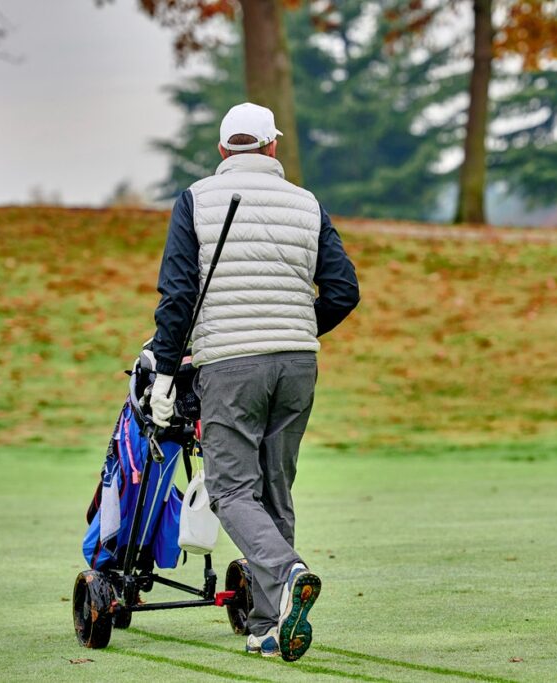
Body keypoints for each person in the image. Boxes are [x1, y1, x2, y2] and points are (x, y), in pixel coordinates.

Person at [147, 102, 360, 662]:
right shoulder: (307, 203)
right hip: (297, 363)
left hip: (229, 363)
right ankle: (269, 624)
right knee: (274, 487)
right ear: (271, 148)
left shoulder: (195, 199)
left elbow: (177, 298)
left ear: (223, 151)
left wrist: (167, 373)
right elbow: (343, 290)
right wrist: (293, 327)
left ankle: (289, 572)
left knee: (231, 490)